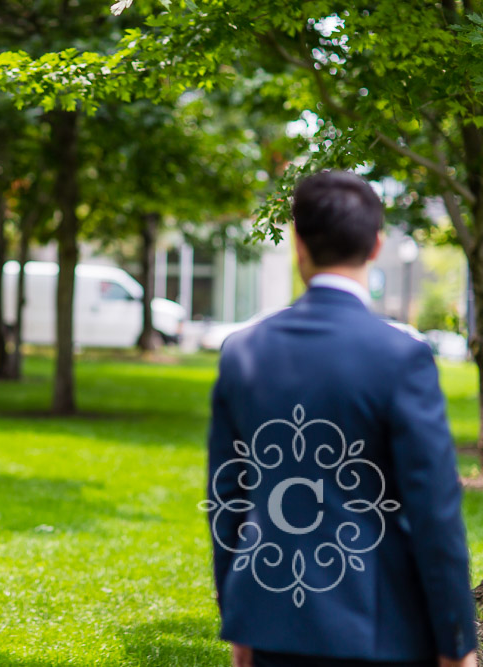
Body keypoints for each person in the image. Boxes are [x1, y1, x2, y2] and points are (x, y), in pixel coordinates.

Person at [205, 171, 478, 667]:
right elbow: (434, 511)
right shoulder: (403, 357)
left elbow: (227, 501)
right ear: (376, 245)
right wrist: (457, 639)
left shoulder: (242, 353)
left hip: (270, 626)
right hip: (381, 629)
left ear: (297, 243)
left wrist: (239, 619)